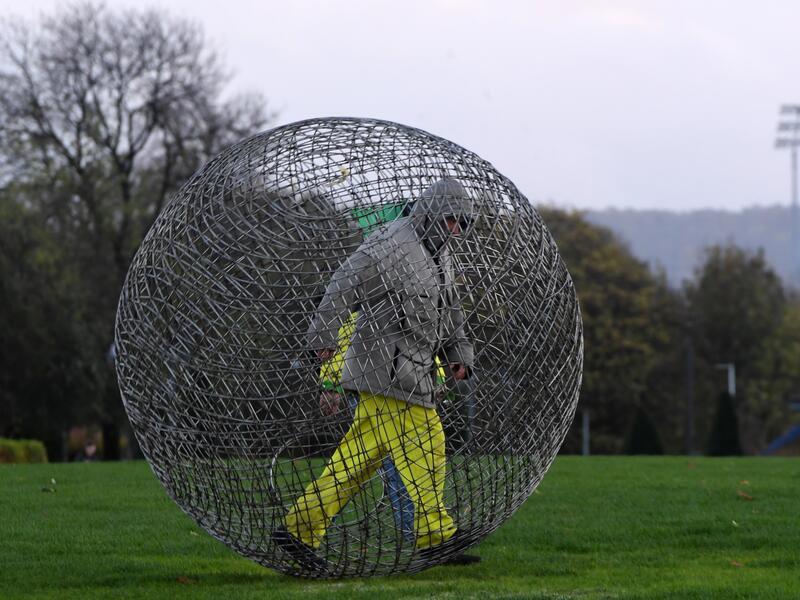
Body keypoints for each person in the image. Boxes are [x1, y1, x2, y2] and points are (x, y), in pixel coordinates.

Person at [274, 178, 479, 569]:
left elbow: (449, 312)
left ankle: (299, 530)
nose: (456, 229)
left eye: (461, 223)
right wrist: (323, 337)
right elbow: (341, 285)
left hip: (406, 374)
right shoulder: (389, 246)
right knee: (427, 442)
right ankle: (435, 536)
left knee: (356, 462)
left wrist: (458, 354)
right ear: (433, 214)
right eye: (451, 220)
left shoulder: (440, 252)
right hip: (386, 374)